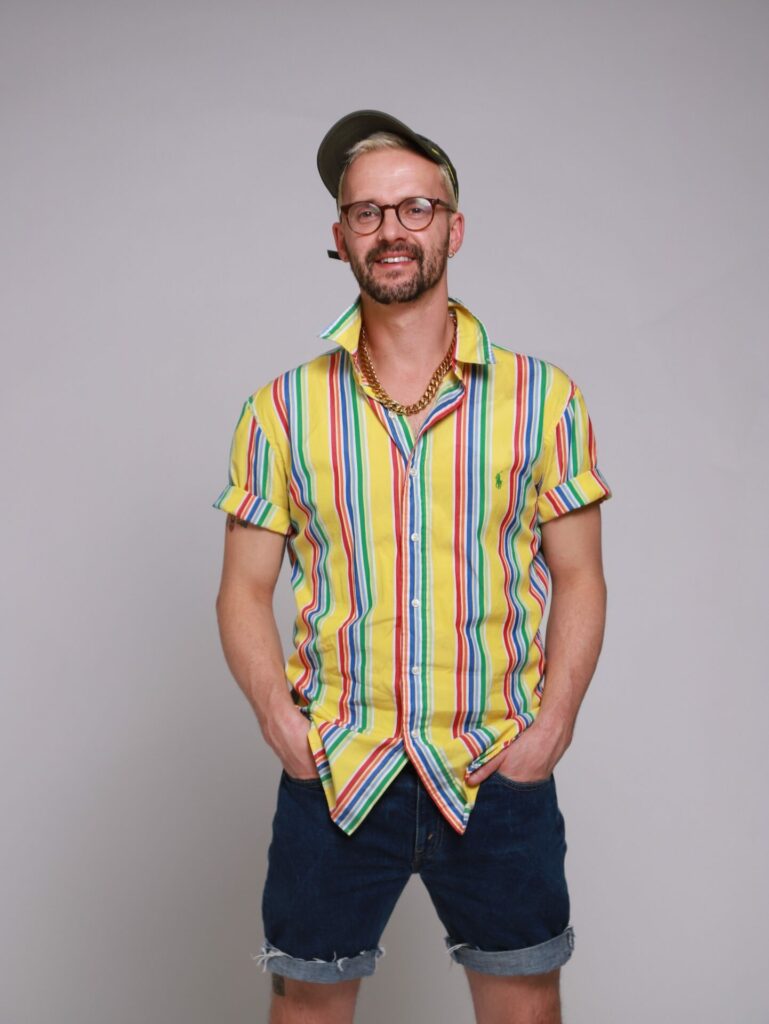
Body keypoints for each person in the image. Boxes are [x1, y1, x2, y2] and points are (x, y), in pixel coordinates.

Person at [213, 109, 612, 1024]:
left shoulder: (543, 400)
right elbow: (243, 587)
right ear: (341, 237)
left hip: (492, 768)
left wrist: (548, 730)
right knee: (307, 1007)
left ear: (452, 228)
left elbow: (581, 577)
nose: (391, 229)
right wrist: (283, 724)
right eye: (367, 213)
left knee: (522, 1004)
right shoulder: (279, 411)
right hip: (338, 771)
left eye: (415, 208)